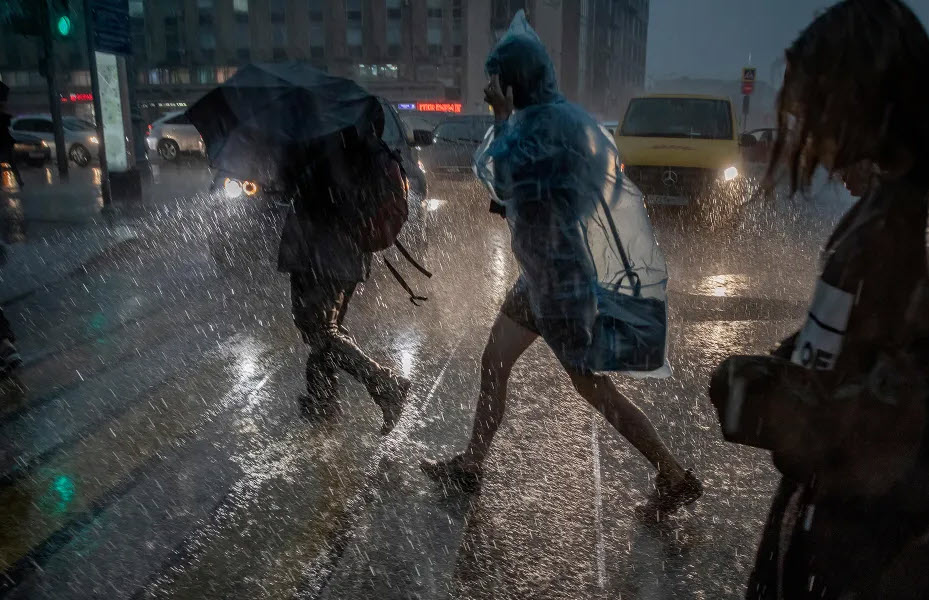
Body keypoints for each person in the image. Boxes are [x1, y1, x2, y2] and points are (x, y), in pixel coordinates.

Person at [422, 12, 702, 516]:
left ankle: (673, 472)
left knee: (593, 388)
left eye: (495, 77)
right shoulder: (551, 122)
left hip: (560, 285)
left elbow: (505, 179)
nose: (488, 86)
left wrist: (502, 118)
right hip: (539, 279)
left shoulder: (544, 128)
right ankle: (471, 465)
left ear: (514, 81)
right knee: (495, 364)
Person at [708, 1, 929, 597]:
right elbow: (854, 343)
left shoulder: (916, 224)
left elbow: (901, 415)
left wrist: (782, 398)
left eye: (819, 105)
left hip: (876, 551)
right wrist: (786, 364)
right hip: (828, 523)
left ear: (867, 99)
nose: (808, 128)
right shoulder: (883, 207)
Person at [277, 112, 410, 434]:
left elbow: (296, 186)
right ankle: (322, 400)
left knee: (318, 329)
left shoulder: (324, 138)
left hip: (317, 251)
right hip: (350, 253)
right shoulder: (364, 140)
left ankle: (382, 382)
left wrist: (287, 159)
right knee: (328, 327)